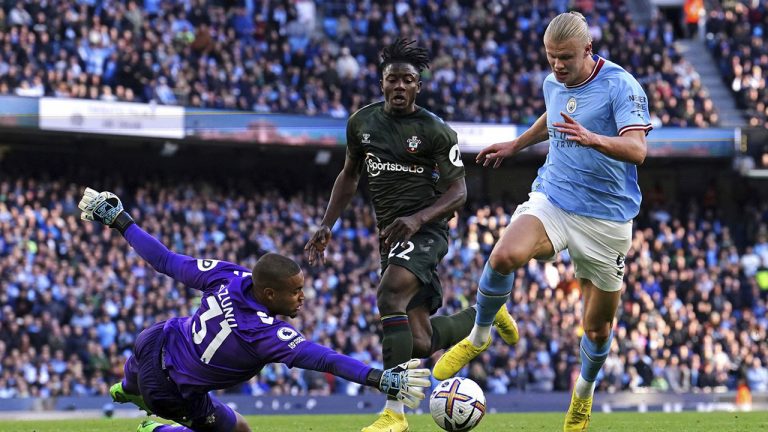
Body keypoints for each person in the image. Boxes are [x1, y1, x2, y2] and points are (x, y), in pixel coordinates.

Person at [432, 11, 652, 432]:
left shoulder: (621, 86)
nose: (557, 66)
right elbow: (551, 117)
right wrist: (517, 144)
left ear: (588, 50)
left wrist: (593, 139)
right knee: (503, 256)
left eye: (566, 57)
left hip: (606, 220)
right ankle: (479, 336)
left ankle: (582, 398)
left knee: (598, 326)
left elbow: (637, 150)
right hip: (555, 196)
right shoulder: (553, 81)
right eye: (551, 57)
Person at [77, 187, 431, 432]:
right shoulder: (265, 334)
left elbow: (165, 260)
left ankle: (126, 386)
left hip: (153, 340)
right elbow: (324, 359)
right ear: (268, 293)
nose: (302, 298)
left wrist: (120, 220)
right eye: (294, 293)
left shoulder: (231, 275)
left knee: (147, 366)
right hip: (172, 390)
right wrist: (379, 378)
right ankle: (155, 426)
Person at [304, 38, 518, 432]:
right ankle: (483, 316)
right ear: (381, 82)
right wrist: (326, 224)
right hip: (390, 235)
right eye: (392, 79)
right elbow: (349, 176)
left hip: (427, 228)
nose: (399, 86)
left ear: (418, 85)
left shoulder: (436, 131)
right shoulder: (362, 123)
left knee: (389, 295)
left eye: (407, 80)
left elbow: (459, 192)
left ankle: (394, 414)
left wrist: (419, 220)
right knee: (419, 342)